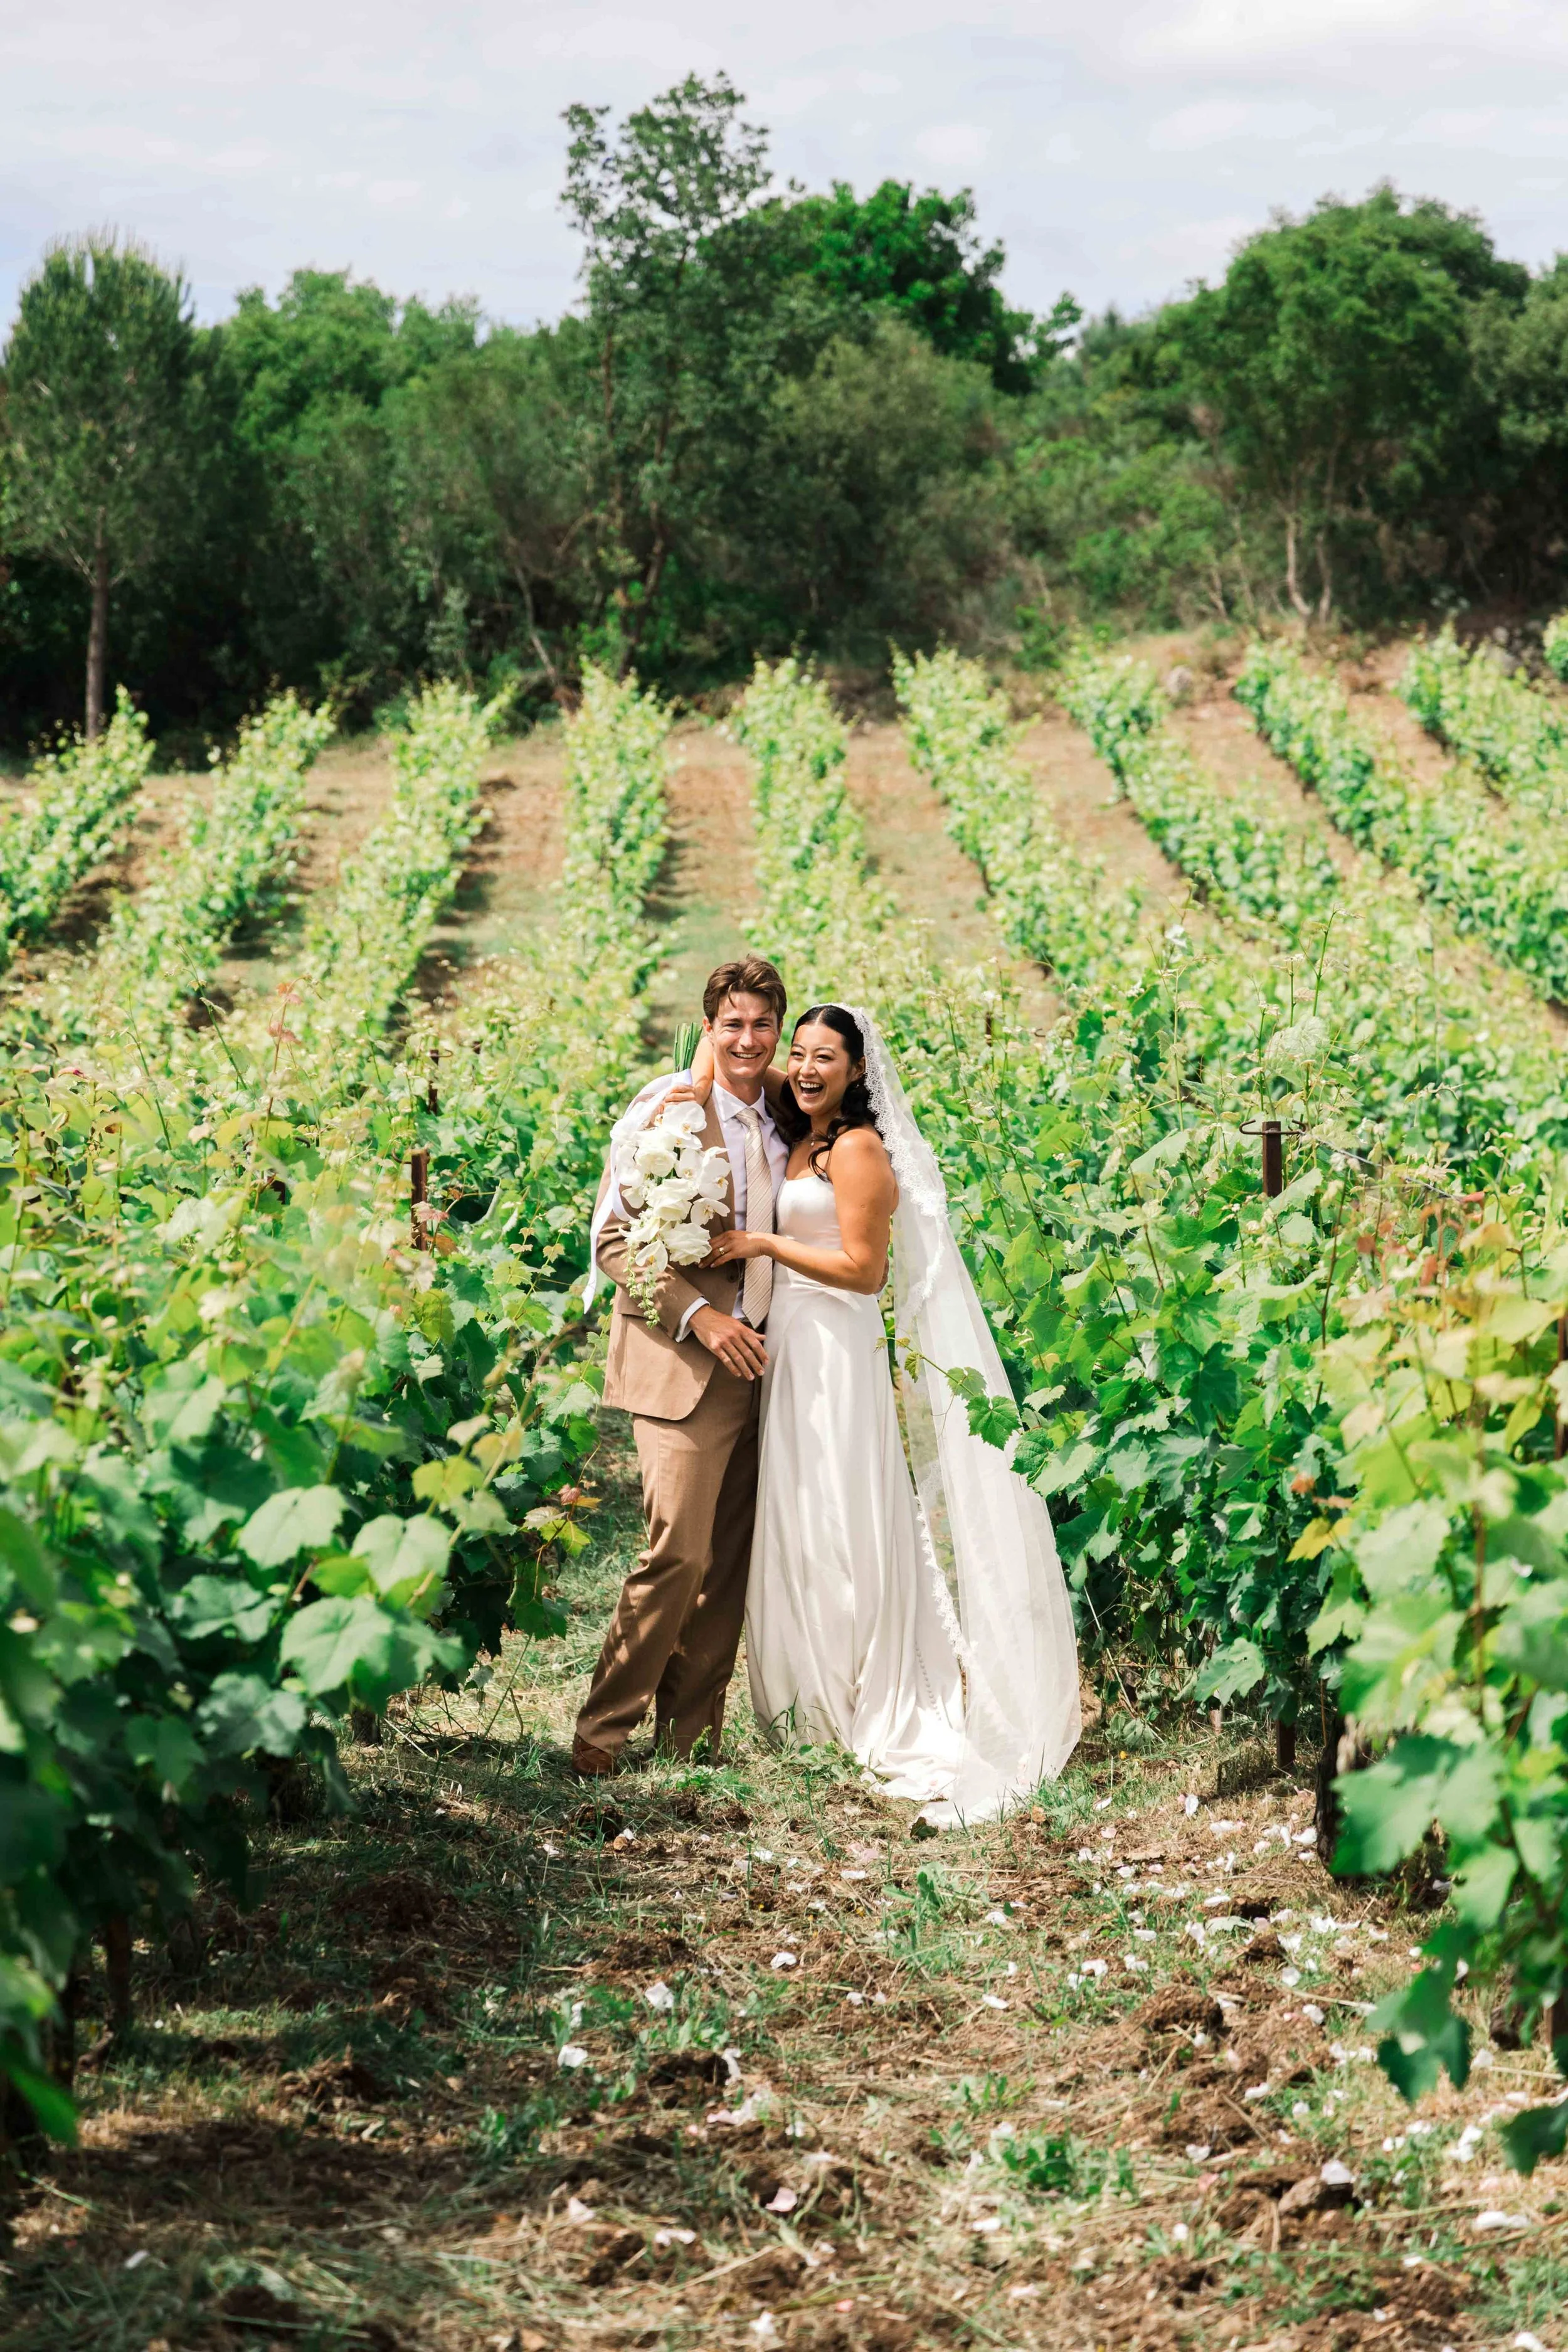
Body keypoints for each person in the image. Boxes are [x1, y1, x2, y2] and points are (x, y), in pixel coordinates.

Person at [685, 1000, 1081, 1824]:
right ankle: (803, 1696)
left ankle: (859, 1693)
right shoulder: (795, 1142)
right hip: (791, 1351)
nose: (804, 1066)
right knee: (793, 1515)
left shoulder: (859, 1148)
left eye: (825, 1055)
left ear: (858, 1070)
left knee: (838, 1514)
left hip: (836, 1347)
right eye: (798, 1051)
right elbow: (707, 1070)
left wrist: (764, 1246)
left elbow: (865, 1270)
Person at [571, 956, 788, 1778]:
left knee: (730, 1563)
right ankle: (601, 1731)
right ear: (708, 1029)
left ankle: (691, 1738)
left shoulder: (787, 1114)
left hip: (767, 1366)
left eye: (761, 1024)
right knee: (677, 1552)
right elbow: (616, 1239)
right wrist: (700, 1318)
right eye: (731, 1023)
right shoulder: (667, 1110)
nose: (747, 1039)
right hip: (682, 1360)